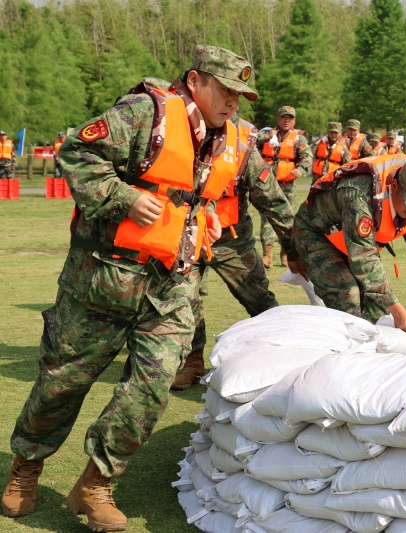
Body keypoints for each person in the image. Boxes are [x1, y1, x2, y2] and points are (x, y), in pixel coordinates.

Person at [1, 44, 257, 529]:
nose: (232, 102)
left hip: (173, 284)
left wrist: (205, 223)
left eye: (240, 95)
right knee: (62, 382)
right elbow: (76, 152)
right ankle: (26, 468)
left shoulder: (226, 137)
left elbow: (199, 195)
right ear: (195, 80)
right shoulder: (145, 113)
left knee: (153, 387)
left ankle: (96, 482)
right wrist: (121, 198)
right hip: (102, 278)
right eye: (225, 90)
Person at [171, 116, 306, 390]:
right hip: (187, 237)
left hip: (232, 241)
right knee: (185, 303)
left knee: (259, 302)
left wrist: (292, 250)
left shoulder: (243, 145)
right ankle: (192, 363)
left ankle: (287, 357)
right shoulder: (179, 136)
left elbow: (273, 202)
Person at [292, 154, 406, 329]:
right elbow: (364, 258)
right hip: (317, 233)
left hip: (353, 241)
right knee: (347, 295)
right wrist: (398, 311)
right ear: (394, 186)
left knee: (377, 309)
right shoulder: (359, 193)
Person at [258, 106, 312, 267]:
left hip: (287, 184)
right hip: (267, 183)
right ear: (278, 119)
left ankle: (285, 254)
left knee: (287, 220)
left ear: (294, 121)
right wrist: (267, 135)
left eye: (290, 118)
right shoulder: (267, 135)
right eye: (283, 117)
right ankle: (267, 255)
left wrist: (300, 170)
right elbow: (251, 140)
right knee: (267, 217)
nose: (286, 120)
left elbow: (307, 157)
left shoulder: (298, 139)